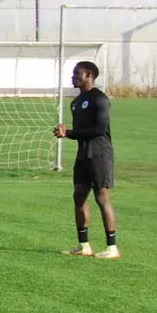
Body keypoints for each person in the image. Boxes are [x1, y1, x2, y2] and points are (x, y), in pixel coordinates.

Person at [54, 61, 118, 258]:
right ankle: (84, 245)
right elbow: (81, 132)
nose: (73, 77)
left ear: (89, 74)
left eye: (77, 73)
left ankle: (112, 248)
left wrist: (69, 132)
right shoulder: (75, 102)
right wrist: (66, 133)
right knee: (79, 196)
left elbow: (99, 130)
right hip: (83, 155)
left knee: (101, 197)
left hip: (100, 155)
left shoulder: (100, 99)